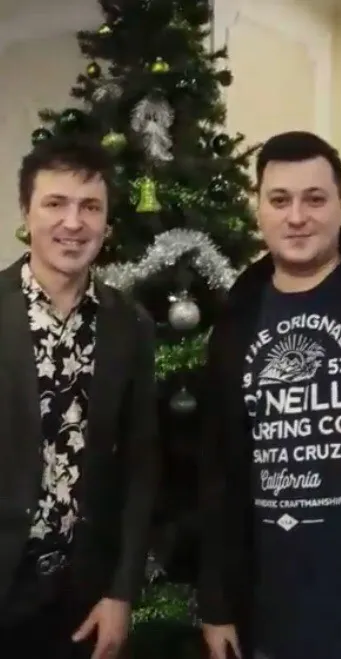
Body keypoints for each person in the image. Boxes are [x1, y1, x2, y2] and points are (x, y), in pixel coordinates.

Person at [199, 130, 341, 659]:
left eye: (314, 199)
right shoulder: (236, 316)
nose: (297, 217)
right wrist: (217, 601)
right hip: (271, 605)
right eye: (279, 200)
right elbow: (219, 469)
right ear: (259, 210)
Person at [0, 135, 157, 658]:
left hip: (85, 599)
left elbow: (141, 464)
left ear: (107, 222)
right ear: (26, 211)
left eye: (90, 207)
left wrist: (121, 591)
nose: (73, 223)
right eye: (55, 204)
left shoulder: (130, 324)